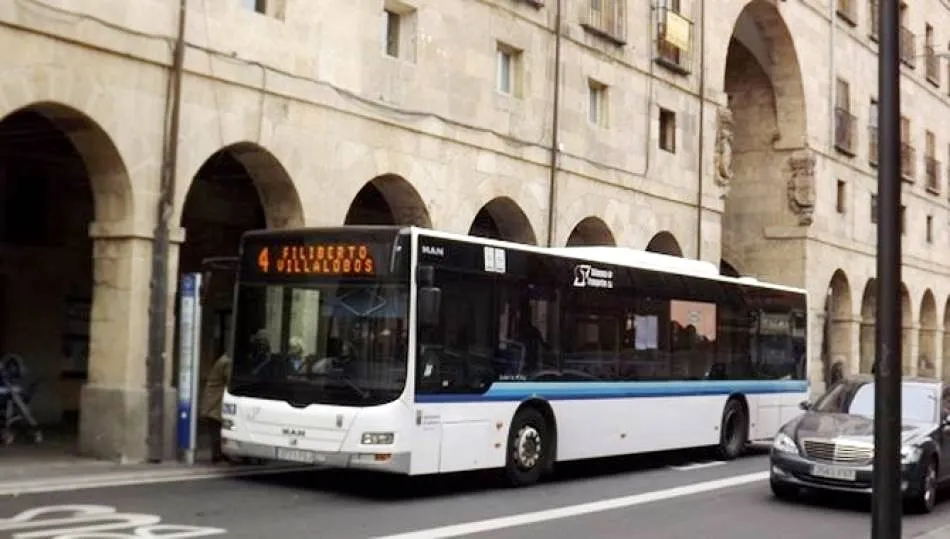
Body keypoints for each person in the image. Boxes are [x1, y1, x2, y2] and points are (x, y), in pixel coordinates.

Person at [199, 353, 232, 464]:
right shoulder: (226, 362)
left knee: (217, 429)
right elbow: (229, 379)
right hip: (215, 403)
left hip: (215, 402)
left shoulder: (223, 359)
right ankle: (217, 457)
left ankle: (220, 455)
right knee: (216, 430)